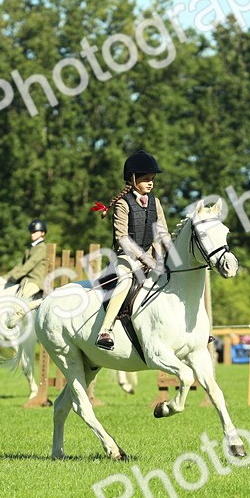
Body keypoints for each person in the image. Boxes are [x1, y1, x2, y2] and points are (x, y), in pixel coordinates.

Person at [96, 150, 171, 350]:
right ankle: (105, 330)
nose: (151, 183)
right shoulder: (122, 203)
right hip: (125, 258)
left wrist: (171, 253)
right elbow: (122, 238)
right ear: (134, 178)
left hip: (153, 256)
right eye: (146, 179)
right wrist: (145, 259)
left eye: (152, 179)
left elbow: (163, 231)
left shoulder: (155, 201)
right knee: (125, 282)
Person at [5, 220, 49, 301]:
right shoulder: (30, 248)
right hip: (25, 281)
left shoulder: (41, 247)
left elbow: (30, 264)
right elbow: (20, 265)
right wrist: (6, 277)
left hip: (35, 282)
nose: (32, 234)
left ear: (42, 233)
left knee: (19, 304)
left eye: (35, 232)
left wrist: (15, 276)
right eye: (31, 232)